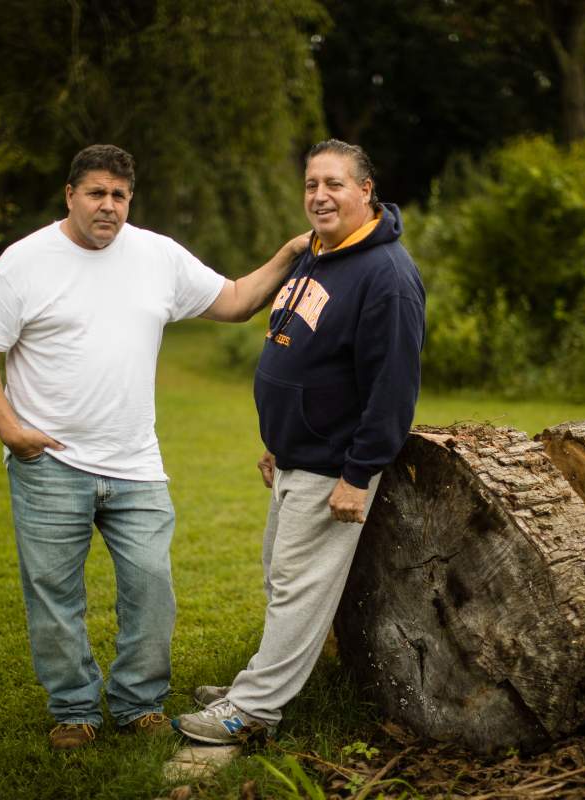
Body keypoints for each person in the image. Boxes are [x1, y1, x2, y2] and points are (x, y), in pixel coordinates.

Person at [0, 144, 309, 751]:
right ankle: (73, 709)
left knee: (151, 585)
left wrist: (286, 255)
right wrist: (11, 430)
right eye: (96, 193)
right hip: (50, 462)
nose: (108, 206)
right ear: (69, 195)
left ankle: (138, 701)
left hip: (136, 463)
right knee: (54, 593)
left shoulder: (157, 256)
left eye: (119, 195)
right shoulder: (23, 264)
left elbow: (232, 300)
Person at [172, 139, 426, 744]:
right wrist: (278, 441)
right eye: (312, 184)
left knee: (296, 588)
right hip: (294, 456)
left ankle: (254, 710)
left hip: (333, 466)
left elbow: (392, 390)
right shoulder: (316, 255)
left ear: (366, 191)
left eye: (335, 184)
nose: (320, 195)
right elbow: (298, 350)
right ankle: (259, 682)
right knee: (280, 577)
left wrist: (357, 474)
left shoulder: (386, 277)